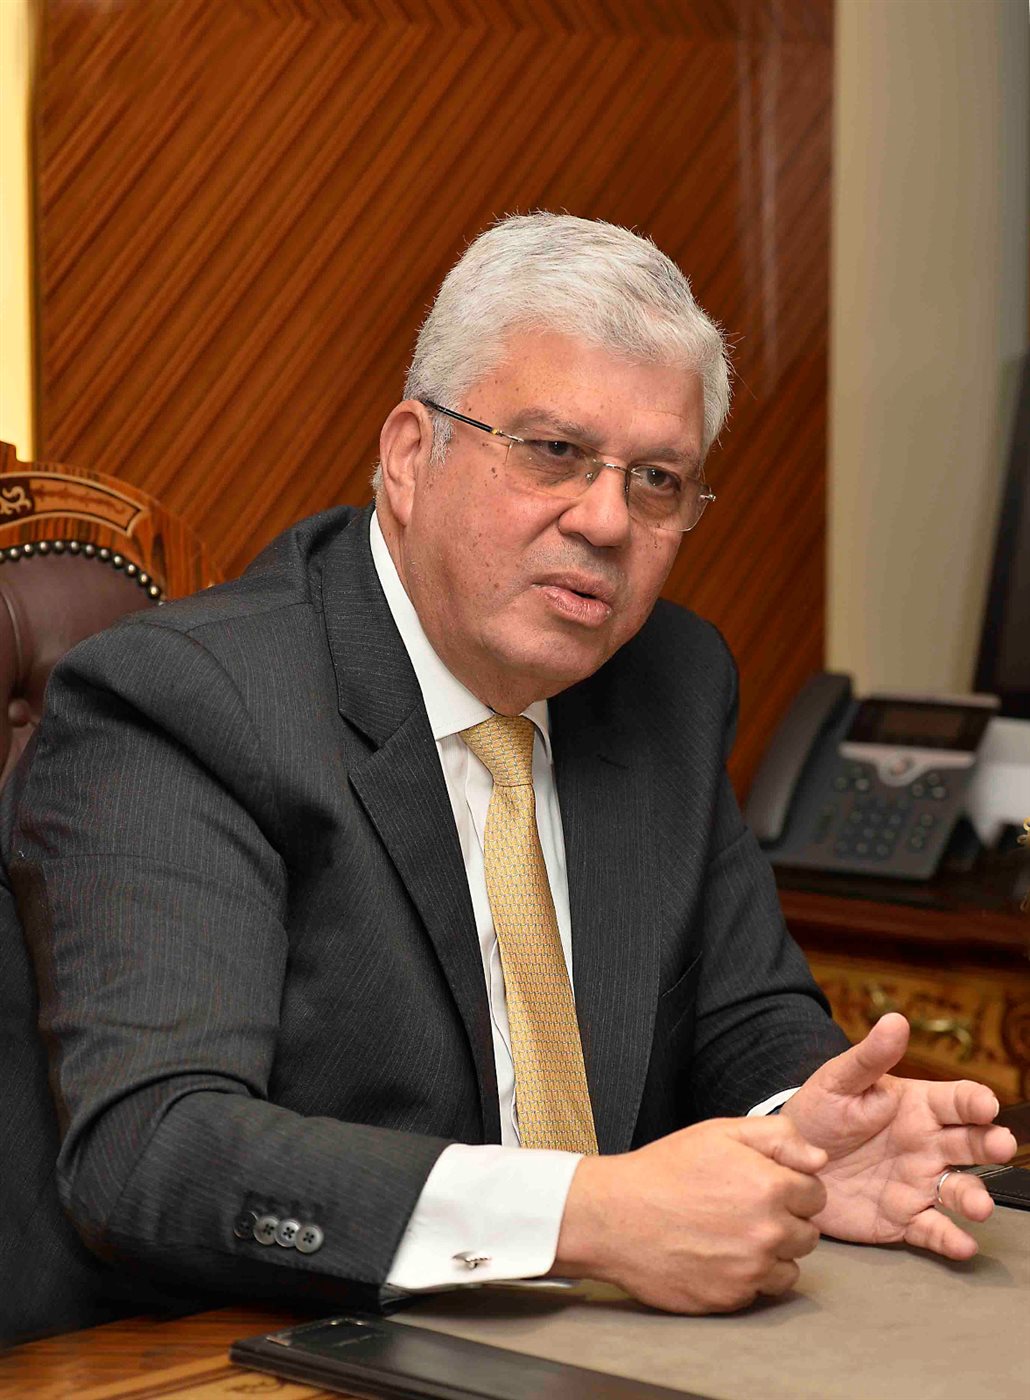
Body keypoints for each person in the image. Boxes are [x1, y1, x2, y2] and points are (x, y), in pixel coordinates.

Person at [8, 213, 1015, 1327]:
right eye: (553, 451)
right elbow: (155, 1150)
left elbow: (740, 1011)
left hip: (596, 1346)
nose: (606, 520)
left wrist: (813, 1134)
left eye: (658, 479)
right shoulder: (185, 701)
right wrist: (583, 1214)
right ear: (410, 455)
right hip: (246, 1346)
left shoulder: (669, 680)